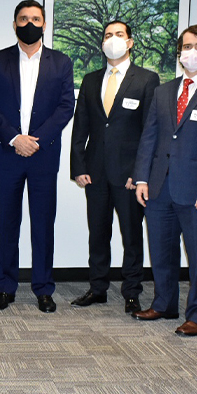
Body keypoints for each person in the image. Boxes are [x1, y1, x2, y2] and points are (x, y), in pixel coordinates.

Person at [131, 24, 197, 337]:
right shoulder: (163, 91)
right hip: (159, 187)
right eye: (187, 46)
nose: (193, 52)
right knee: (161, 252)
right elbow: (149, 137)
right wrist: (141, 178)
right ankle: (164, 304)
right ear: (179, 52)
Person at [0, 0, 74, 313]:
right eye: (23, 19)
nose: (29, 24)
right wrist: (15, 138)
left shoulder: (61, 62)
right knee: (8, 224)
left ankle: (43, 289)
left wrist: (36, 140)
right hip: (9, 154)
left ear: (44, 24)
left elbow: (66, 106)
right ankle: (5, 288)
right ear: (14, 24)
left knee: (43, 225)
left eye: (35, 19)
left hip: (43, 155)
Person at [70, 20, 160, 315]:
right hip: (94, 172)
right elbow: (81, 126)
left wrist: (141, 173)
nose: (113, 39)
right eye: (108, 35)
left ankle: (132, 292)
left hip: (129, 176)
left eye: (119, 34)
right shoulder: (90, 79)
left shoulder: (147, 79)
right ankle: (97, 288)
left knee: (131, 236)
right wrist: (78, 166)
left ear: (130, 42)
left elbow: (150, 130)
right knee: (97, 233)